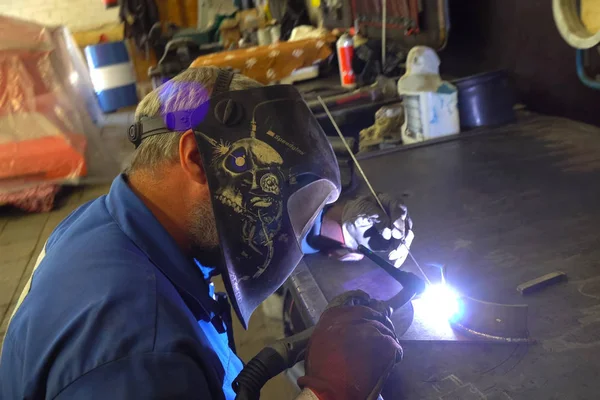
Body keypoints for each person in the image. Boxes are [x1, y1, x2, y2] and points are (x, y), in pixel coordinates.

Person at [0, 67, 413, 400]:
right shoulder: (144, 356)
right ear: (198, 158)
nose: (269, 207)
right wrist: (330, 394)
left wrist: (334, 229)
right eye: (265, 185)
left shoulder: (108, 223)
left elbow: (235, 221)